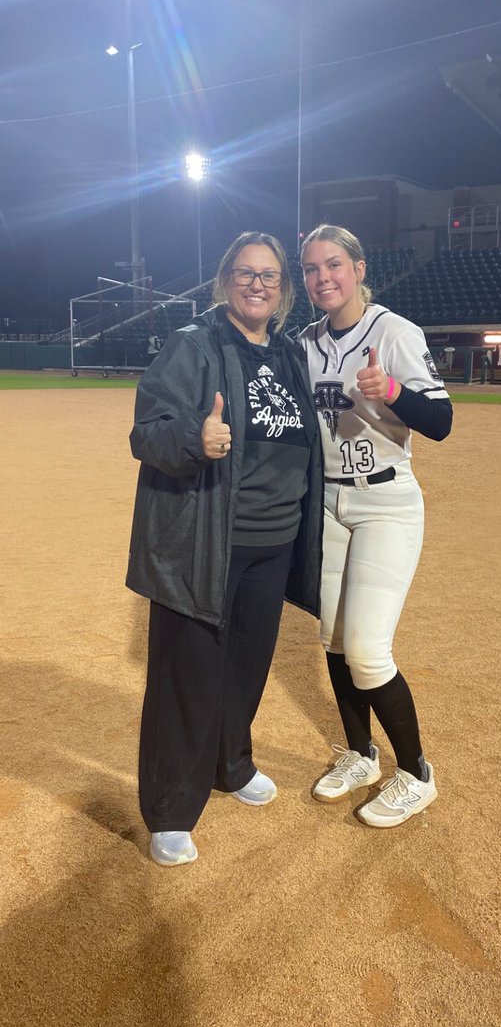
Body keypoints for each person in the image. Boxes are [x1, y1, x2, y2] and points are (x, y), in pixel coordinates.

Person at [126, 231, 323, 866]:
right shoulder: (194, 344)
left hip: (274, 541)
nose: (257, 284)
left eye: (269, 276)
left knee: (244, 667)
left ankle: (231, 766)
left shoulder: (290, 353)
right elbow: (146, 433)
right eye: (245, 273)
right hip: (208, 539)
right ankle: (170, 808)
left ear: (283, 289)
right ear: (224, 281)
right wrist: (194, 439)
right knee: (186, 677)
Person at [297, 224, 453, 828]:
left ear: (359, 268)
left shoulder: (394, 331)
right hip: (331, 504)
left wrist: (391, 391)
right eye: (311, 269)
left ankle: (416, 773)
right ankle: (361, 755)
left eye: (333, 264)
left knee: (366, 649)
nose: (322, 278)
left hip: (386, 504)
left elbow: (440, 421)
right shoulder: (306, 342)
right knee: (334, 640)